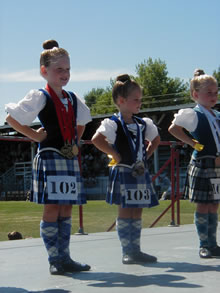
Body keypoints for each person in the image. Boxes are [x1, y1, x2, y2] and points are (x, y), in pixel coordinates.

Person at [5, 40, 91, 274]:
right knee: (52, 209)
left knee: (67, 209)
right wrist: (34, 135)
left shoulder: (73, 98)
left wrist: (74, 140)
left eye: (68, 69)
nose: (65, 74)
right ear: (44, 71)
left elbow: (83, 121)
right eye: (59, 69)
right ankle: (54, 260)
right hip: (50, 157)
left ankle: (66, 257)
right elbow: (12, 119)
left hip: (68, 159)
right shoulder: (40, 96)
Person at [92, 74, 160, 264]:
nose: (139, 103)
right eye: (136, 100)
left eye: (140, 99)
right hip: (123, 170)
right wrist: (114, 154)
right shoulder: (113, 123)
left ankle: (136, 249)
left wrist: (147, 153)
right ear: (121, 101)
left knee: (137, 210)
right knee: (125, 210)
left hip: (139, 171)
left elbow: (156, 140)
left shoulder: (142, 123)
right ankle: (127, 251)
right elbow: (97, 140)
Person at [168, 69, 220, 258]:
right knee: (203, 205)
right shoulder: (193, 114)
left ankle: (214, 243)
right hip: (203, 165)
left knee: (214, 205)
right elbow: (173, 128)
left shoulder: (217, 116)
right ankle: (204, 245)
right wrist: (192, 143)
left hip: (217, 167)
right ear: (195, 94)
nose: (213, 96)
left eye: (216, 92)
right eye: (209, 93)